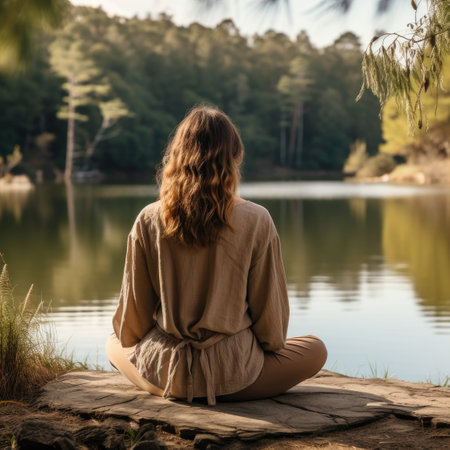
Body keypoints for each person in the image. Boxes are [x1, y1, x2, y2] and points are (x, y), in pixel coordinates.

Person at [106, 106, 327, 406]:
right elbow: (272, 334)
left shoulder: (148, 218)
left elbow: (131, 327)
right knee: (316, 349)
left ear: (176, 158)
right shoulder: (257, 219)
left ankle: (175, 385)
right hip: (234, 376)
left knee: (112, 343)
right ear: (233, 160)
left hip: (165, 374)